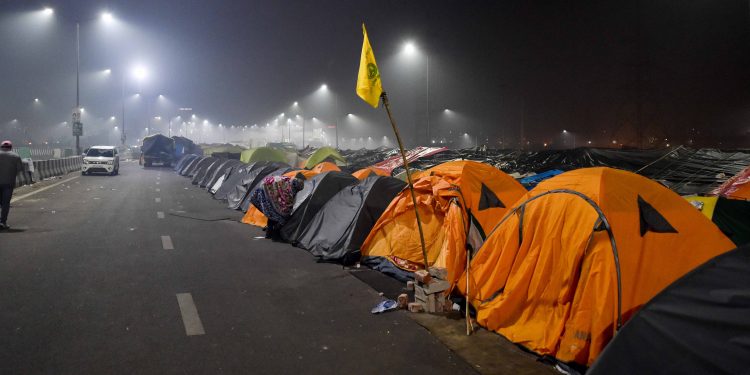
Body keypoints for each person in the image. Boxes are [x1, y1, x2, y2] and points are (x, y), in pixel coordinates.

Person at [249, 175, 305, 241]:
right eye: (298, 189)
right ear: (296, 187)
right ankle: (275, 236)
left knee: (272, 214)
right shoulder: (289, 189)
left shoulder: (287, 181)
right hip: (268, 194)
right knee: (281, 216)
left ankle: (269, 234)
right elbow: (287, 202)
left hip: (265, 191)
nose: (298, 191)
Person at [0, 140, 23, 230]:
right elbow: (20, 169)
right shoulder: (16, 156)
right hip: (8, 183)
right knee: (5, 204)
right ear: (11, 147)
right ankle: (3, 222)